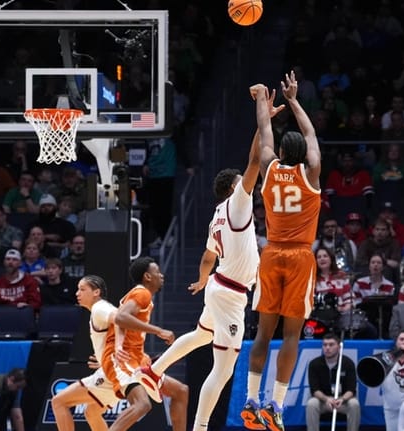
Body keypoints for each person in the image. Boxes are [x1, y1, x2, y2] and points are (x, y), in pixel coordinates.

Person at [139, 84, 279, 431]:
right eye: (243, 182)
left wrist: (203, 279)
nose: (249, 183)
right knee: (224, 368)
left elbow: (206, 256)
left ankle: (153, 371)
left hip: (219, 284)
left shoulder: (219, 213)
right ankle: (200, 428)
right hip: (230, 292)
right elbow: (255, 160)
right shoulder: (237, 203)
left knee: (201, 334)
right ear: (235, 187)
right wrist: (263, 119)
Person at [242, 70, 322, 431]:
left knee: (262, 333)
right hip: (300, 258)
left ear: (281, 152)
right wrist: (293, 99)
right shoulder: (312, 172)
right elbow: (311, 133)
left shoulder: (269, 169)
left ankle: (250, 399)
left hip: (271, 254)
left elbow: (264, 135)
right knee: (291, 336)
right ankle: (275, 404)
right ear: (303, 153)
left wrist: (263, 101)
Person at [100, 257, 188, 431]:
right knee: (142, 405)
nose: (161, 275)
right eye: (157, 272)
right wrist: (158, 331)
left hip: (136, 358)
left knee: (180, 391)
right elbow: (121, 318)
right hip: (121, 358)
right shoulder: (142, 293)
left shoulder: (143, 297)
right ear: (148, 277)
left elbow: (122, 322)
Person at [51, 275, 119, 431]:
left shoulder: (99, 308)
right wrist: (106, 359)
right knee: (92, 412)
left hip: (113, 373)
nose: (77, 293)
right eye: (77, 289)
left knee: (59, 402)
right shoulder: (99, 309)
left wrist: (114, 359)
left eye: (82, 289)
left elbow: (123, 319)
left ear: (96, 292)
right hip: (115, 371)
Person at [305, 333, 360, 431]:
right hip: (323, 401)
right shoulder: (315, 364)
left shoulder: (347, 363)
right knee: (311, 403)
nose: (327, 348)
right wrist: (327, 399)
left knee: (354, 404)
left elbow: (351, 390)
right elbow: (314, 389)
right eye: (325, 345)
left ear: (339, 347)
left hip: (342, 401)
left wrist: (341, 399)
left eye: (331, 345)